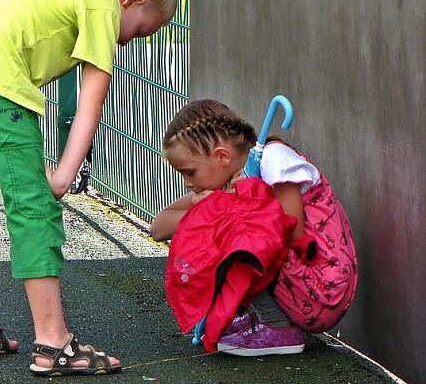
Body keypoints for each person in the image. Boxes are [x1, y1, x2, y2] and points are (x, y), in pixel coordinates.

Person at [0, 0, 177, 376]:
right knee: (34, 207)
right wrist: (61, 177)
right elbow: (91, 102)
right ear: (133, 0)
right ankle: (54, 343)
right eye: (138, 31)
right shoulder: (102, 3)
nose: (126, 43)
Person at [151, 99, 358, 356]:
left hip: (322, 289)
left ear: (222, 156)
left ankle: (278, 327)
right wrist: (207, 206)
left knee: (233, 233)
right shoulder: (230, 179)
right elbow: (158, 228)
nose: (186, 182)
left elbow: (291, 232)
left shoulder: (272, 160)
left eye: (190, 172)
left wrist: (223, 210)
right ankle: (264, 318)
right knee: (221, 227)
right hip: (303, 286)